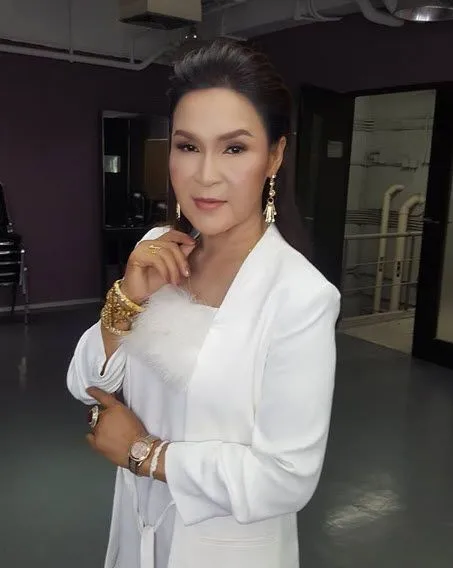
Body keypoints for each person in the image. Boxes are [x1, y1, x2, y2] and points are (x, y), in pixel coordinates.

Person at [67, 39, 340, 568]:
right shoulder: (161, 251)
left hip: (224, 549)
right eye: (188, 146)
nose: (205, 174)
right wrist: (127, 298)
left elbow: (287, 478)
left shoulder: (299, 297)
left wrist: (145, 454)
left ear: (275, 156)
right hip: (137, 530)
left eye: (234, 148)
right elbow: (84, 384)